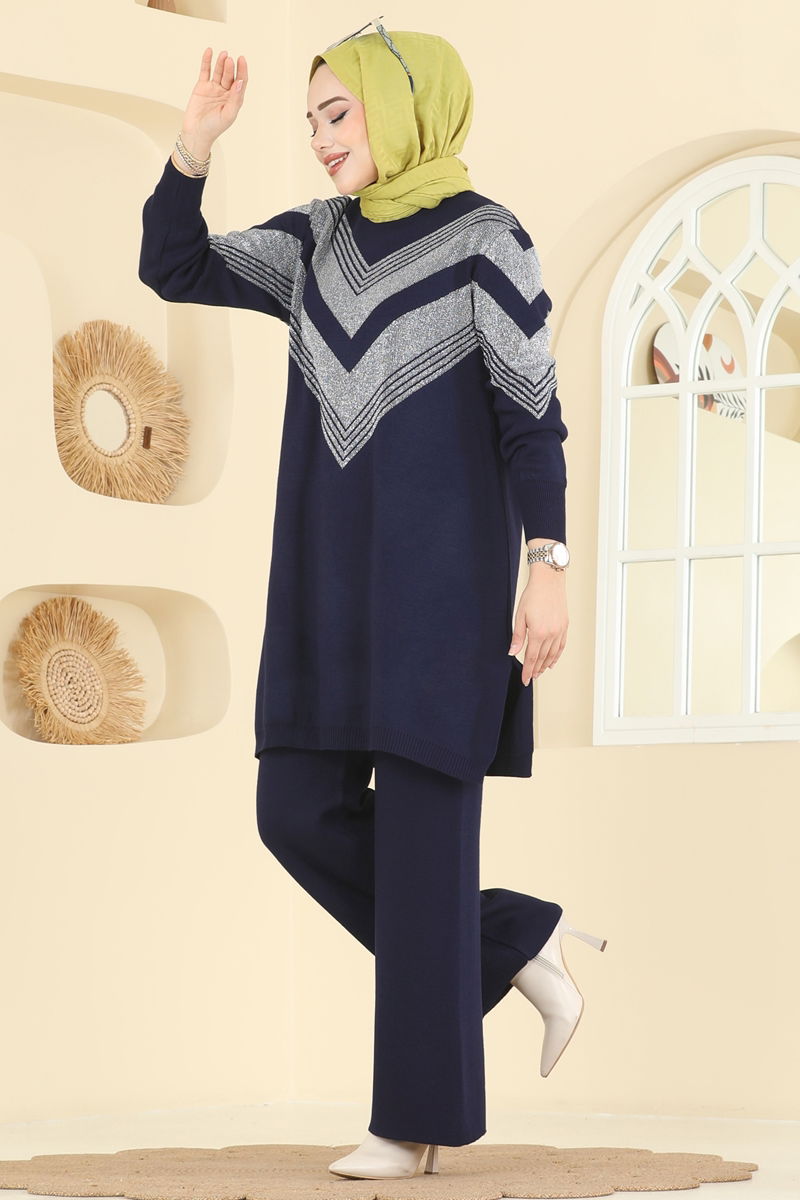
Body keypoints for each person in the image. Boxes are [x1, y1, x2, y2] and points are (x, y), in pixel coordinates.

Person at [138, 24, 607, 1181]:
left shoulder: (488, 241)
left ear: (404, 109)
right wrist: (194, 147)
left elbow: (530, 419)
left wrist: (546, 565)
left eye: (336, 113)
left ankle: (411, 1123)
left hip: (442, 604)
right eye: (309, 119)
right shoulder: (313, 243)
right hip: (321, 593)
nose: (318, 136)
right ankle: (517, 940)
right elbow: (174, 266)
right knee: (292, 813)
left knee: (423, 850)